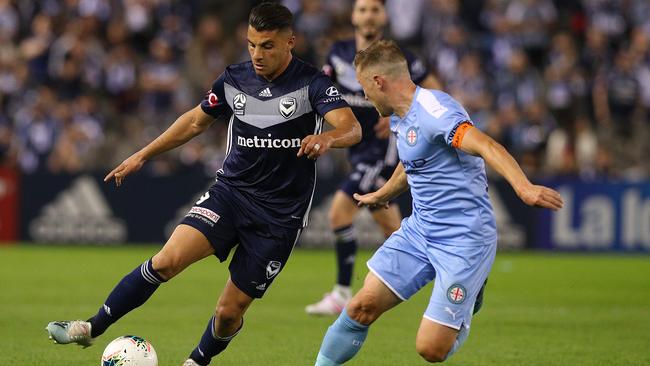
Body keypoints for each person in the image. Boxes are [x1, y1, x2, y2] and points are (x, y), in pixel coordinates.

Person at [45, 3, 361, 366]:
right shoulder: (234, 79)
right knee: (166, 260)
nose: (257, 54)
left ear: (291, 42)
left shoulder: (313, 84)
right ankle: (90, 327)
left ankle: (196, 362)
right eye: (251, 44)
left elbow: (351, 127)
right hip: (231, 194)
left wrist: (329, 139)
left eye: (267, 46)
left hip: (279, 216)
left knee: (229, 313)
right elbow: (195, 122)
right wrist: (143, 155)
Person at [314, 40, 564, 365]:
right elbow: (412, 161)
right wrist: (383, 194)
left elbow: (486, 145)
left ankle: (470, 294)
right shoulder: (399, 117)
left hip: (464, 240)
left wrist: (524, 187)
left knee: (431, 350)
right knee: (360, 306)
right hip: (419, 232)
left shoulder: (436, 112)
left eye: (364, 88)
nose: (364, 97)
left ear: (379, 81)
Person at [306, 0, 440, 316]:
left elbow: (436, 94)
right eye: (362, 9)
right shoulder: (337, 53)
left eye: (374, 10)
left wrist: (398, 109)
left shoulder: (400, 57)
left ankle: (341, 292)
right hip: (357, 150)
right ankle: (435, 268)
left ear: (385, 16)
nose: (368, 15)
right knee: (391, 226)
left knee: (340, 213)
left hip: (384, 149)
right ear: (353, 16)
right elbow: (321, 93)